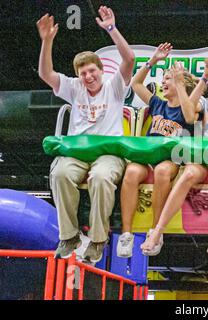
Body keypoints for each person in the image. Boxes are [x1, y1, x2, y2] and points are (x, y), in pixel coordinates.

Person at [37, 6, 135, 262]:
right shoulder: (74, 87)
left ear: (101, 71)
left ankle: (99, 239)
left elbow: (129, 59)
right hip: (78, 152)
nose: (88, 76)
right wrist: (47, 41)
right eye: (83, 73)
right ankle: (69, 236)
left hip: (108, 153)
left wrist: (111, 29)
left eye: (92, 71)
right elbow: (45, 74)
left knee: (101, 178)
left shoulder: (114, 87)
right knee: (59, 173)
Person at [139, 58, 208, 257]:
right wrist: (198, 80)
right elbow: (188, 114)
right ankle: (158, 230)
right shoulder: (203, 102)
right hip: (202, 157)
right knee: (188, 173)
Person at [117, 43, 199, 258]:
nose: (163, 83)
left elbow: (192, 118)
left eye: (167, 80)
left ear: (182, 84)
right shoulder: (157, 104)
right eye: (162, 80)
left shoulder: (188, 108)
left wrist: (180, 81)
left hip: (171, 158)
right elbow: (136, 83)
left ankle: (155, 231)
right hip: (148, 155)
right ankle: (126, 234)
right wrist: (152, 61)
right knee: (132, 172)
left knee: (163, 171)